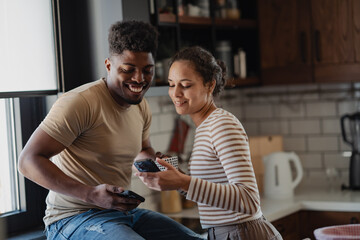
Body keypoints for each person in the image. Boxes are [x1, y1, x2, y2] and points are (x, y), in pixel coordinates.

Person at [18, 20, 204, 240]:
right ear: (108, 65)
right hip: (72, 218)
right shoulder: (79, 103)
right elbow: (27, 161)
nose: (139, 79)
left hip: (123, 214)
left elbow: (143, 149)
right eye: (128, 70)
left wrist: (159, 166)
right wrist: (91, 194)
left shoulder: (140, 106)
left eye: (147, 70)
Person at [135, 46, 283, 240]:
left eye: (186, 85)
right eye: (172, 84)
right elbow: (211, 189)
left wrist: (183, 181)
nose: (176, 93)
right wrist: (176, 177)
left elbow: (249, 200)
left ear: (209, 85)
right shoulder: (206, 127)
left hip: (242, 233)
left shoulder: (222, 124)